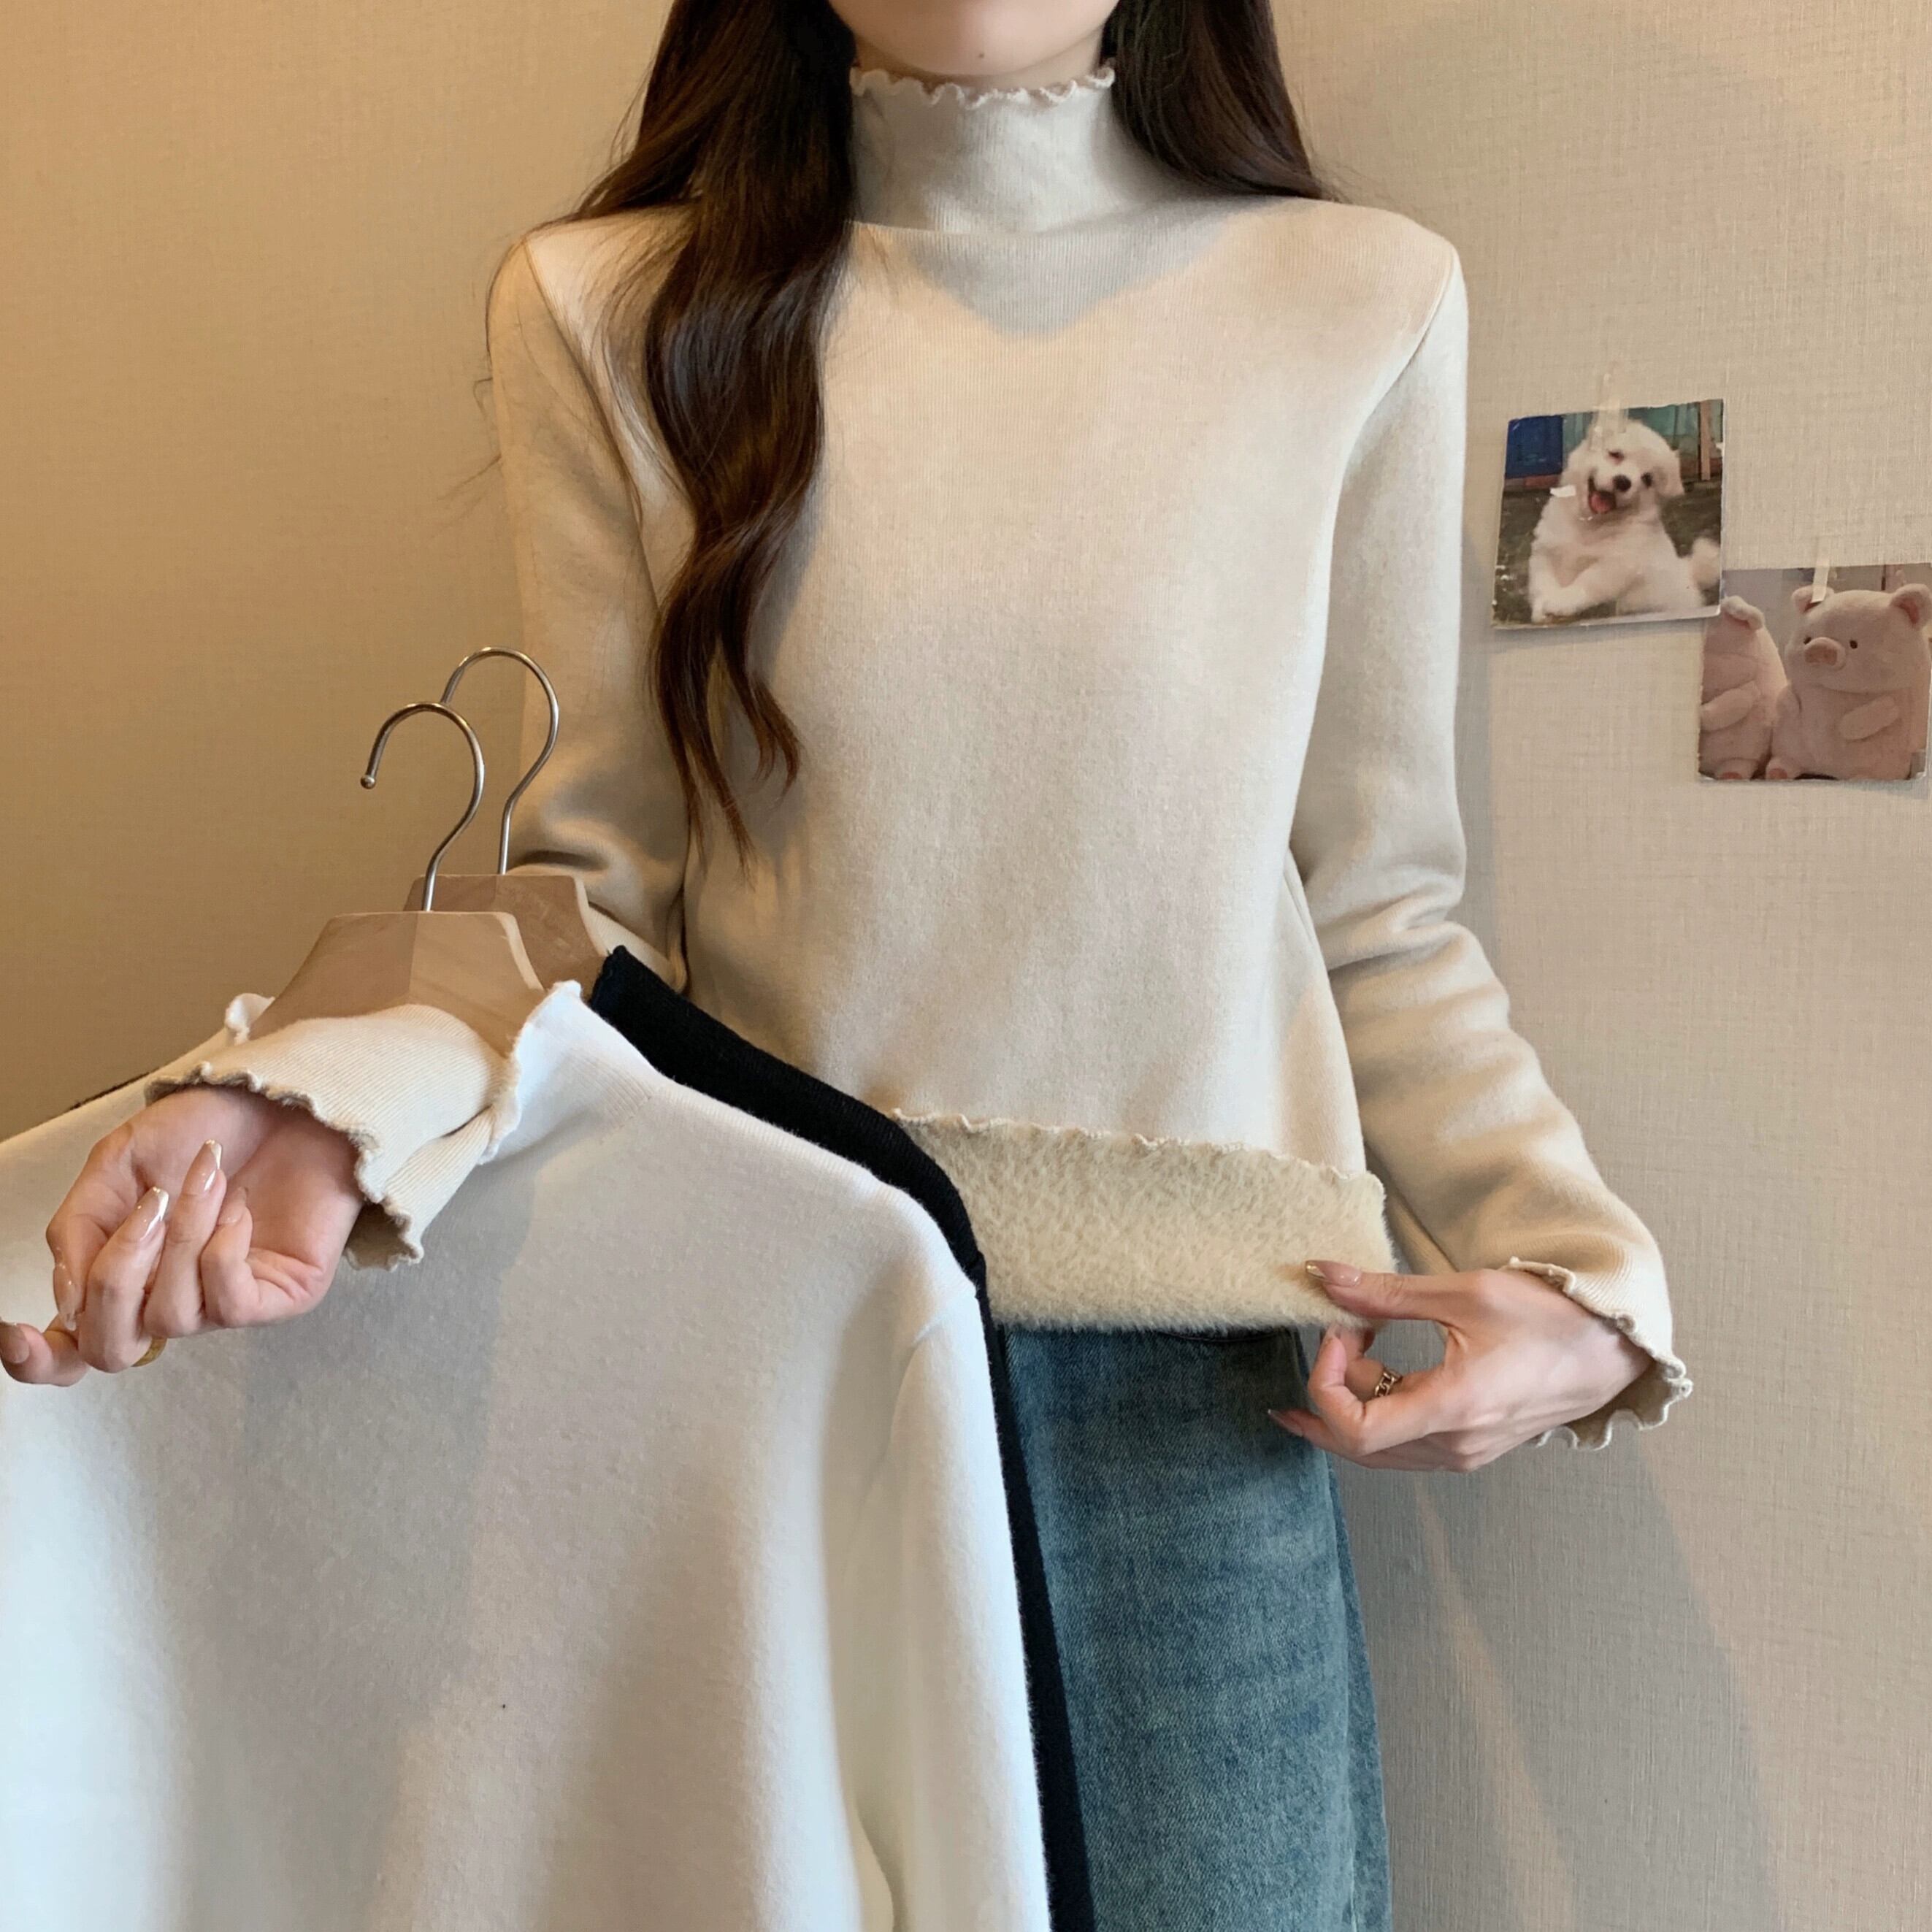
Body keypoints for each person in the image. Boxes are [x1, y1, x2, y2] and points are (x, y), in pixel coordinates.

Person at [2, 3, 1690, 1925]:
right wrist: (335, 1097)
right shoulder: (607, 312)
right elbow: (594, 911)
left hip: (1197, 1418)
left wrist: (1583, 1278)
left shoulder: (1358, 301)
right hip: (765, 1356)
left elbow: (1375, 906)